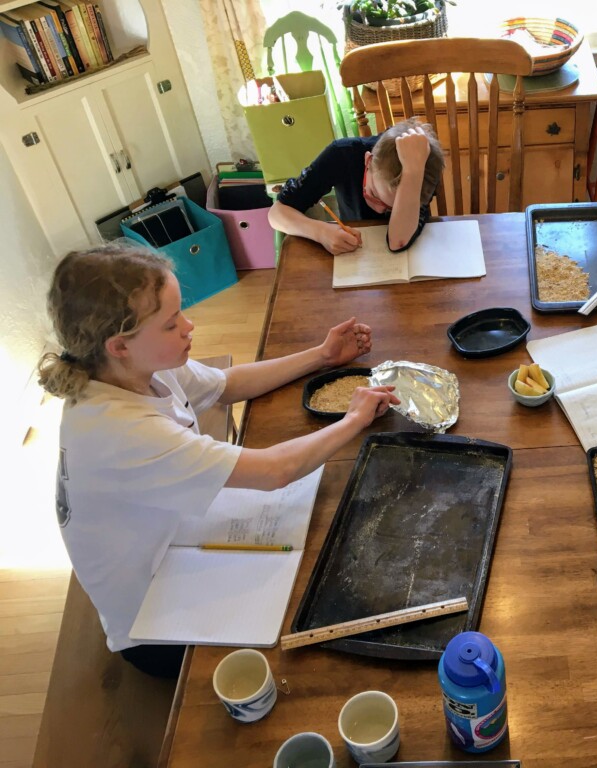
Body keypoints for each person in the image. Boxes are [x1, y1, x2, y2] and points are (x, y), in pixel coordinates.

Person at [37, 242, 400, 677]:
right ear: (119, 346)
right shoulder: (118, 431)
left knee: (321, 540)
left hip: (178, 543)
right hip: (152, 624)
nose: (189, 327)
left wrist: (321, 356)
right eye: (172, 324)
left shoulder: (137, 369)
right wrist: (353, 419)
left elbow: (225, 385)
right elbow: (274, 471)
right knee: (318, 622)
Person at [268, 117, 444, 255]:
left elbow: (398, 241)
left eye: (392, 208)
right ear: (368, 161)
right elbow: (277, 214)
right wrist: (322, 232)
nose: (380, 211)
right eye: (374, 194)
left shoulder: (422, 171)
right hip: (355, 255)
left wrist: (413, 172)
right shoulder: (342, 155)